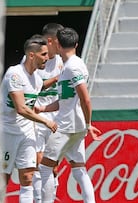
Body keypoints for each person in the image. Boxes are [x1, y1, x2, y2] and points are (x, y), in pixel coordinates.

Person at [35, 27, 101, 203]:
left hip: (66, 125)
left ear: (57, 43)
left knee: (45, 168)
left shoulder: (73, 66)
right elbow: (65, 100)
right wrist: (42, 109)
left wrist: (89, 124)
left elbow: (85, 98)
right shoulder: (69, 66)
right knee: (79, 168)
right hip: (75, 125)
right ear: (76, 44)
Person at [0, 35, 57, 203]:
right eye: (44, 54)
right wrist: (45, 120)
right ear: (32, 55)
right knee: (3, 178)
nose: (47, 58)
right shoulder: (14, 74)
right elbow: (21, 108)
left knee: (28, 177)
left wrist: (57, 78)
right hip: (7, 132)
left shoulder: (37, 79)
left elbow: (38, 90)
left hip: (27, 132)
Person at [32, 23, 64, 203]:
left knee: (53, 168)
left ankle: (49, 198)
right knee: (38, 165)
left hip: (56, 120)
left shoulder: (62, 60)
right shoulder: (32, 58)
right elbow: (30, 87)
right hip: (37, 118)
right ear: (50, 41)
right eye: (59, 41)